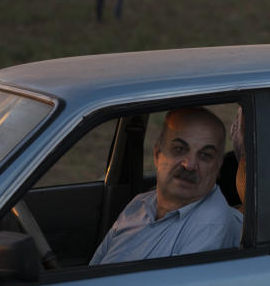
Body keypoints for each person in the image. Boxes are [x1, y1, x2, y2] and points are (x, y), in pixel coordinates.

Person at [89, 108, 242, 265]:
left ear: (217, 167)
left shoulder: (213, 224)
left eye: (205, 155)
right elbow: (93, 272)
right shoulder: (139, 204)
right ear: (157, 154)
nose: (189, 165)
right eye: (179, 149)